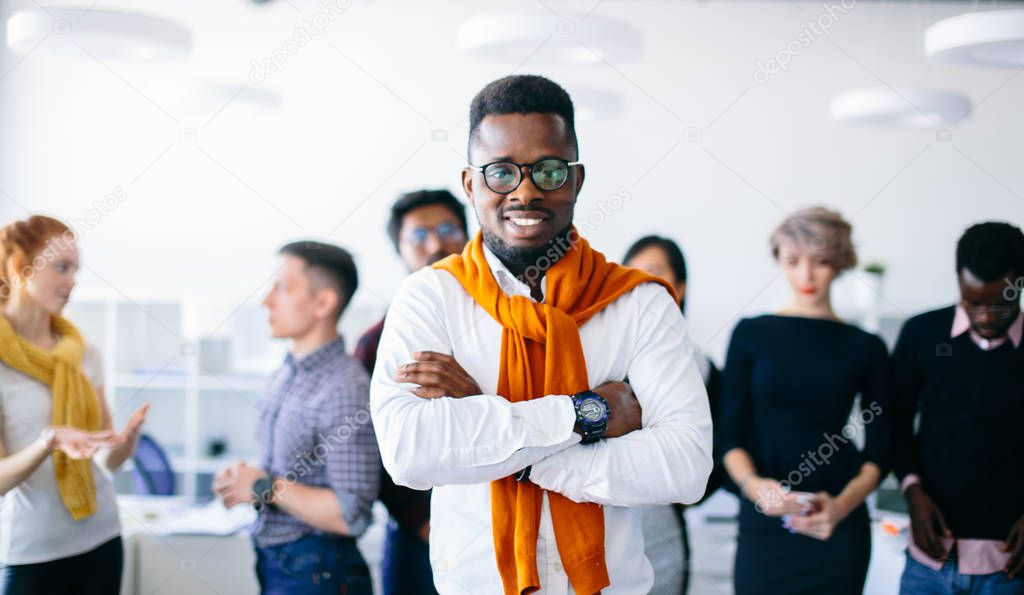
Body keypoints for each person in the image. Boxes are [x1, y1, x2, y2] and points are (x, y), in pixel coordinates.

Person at [370, 74, 713, 594]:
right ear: (470, 184)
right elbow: (410, 454)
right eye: (501, 171)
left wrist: (491, 427)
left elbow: (685, 467)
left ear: (575, 180)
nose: (525, 191)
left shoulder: (639, 302)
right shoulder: (429, 297)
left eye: (548, 170)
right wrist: (586, 414)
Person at [720, 207, 890, 595]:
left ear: (841, 263)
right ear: (779, 259)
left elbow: (882, 449)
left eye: (821, 262)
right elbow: (730, 437)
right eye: (793, 261)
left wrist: (842, 507)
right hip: (766, 522)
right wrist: (755, 486)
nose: (806, 276)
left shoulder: (866, 347)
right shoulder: (751, 335)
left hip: (837, 525)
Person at [213, 240, 379, 595]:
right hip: (279, 562)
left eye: (283, 288)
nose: (266, 301)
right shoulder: (285, 373)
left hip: (319, 572)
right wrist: (244, 482)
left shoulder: (344, 387)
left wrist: (263, 486)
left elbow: (351, 514)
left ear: (323, 303)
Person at [0, 215, 149, 595]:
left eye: (76, 271)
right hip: (32, 553)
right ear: (20, 268)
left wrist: (125, 443)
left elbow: (104, 460)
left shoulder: (84, 353)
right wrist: (46, 443)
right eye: (61, 268)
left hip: (102, 540)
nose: (71, 282)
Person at [892, 221, 1024, 595]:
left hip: (1009, 570)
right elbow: (894, 423)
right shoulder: (922, 335)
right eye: (972, 302)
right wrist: (912, 490)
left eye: (999, 305)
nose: (984, 317)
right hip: (928, 565)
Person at [354, 189, 468, 595]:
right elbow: (369, 445)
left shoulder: (501, 324)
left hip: (490, 519)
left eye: (447, 230)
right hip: (416, 533)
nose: (436, 245)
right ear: (400, 250)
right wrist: (421, 519)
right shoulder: (376, 343)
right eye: (419, 235)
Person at [623, 235, 724, 595]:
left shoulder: (699, 366)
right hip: (592, 528)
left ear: (678, 289)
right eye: (629, 275)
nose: (638, 285)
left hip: (660, 532)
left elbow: (717, 454)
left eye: (653, 275)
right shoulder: (598, 357)